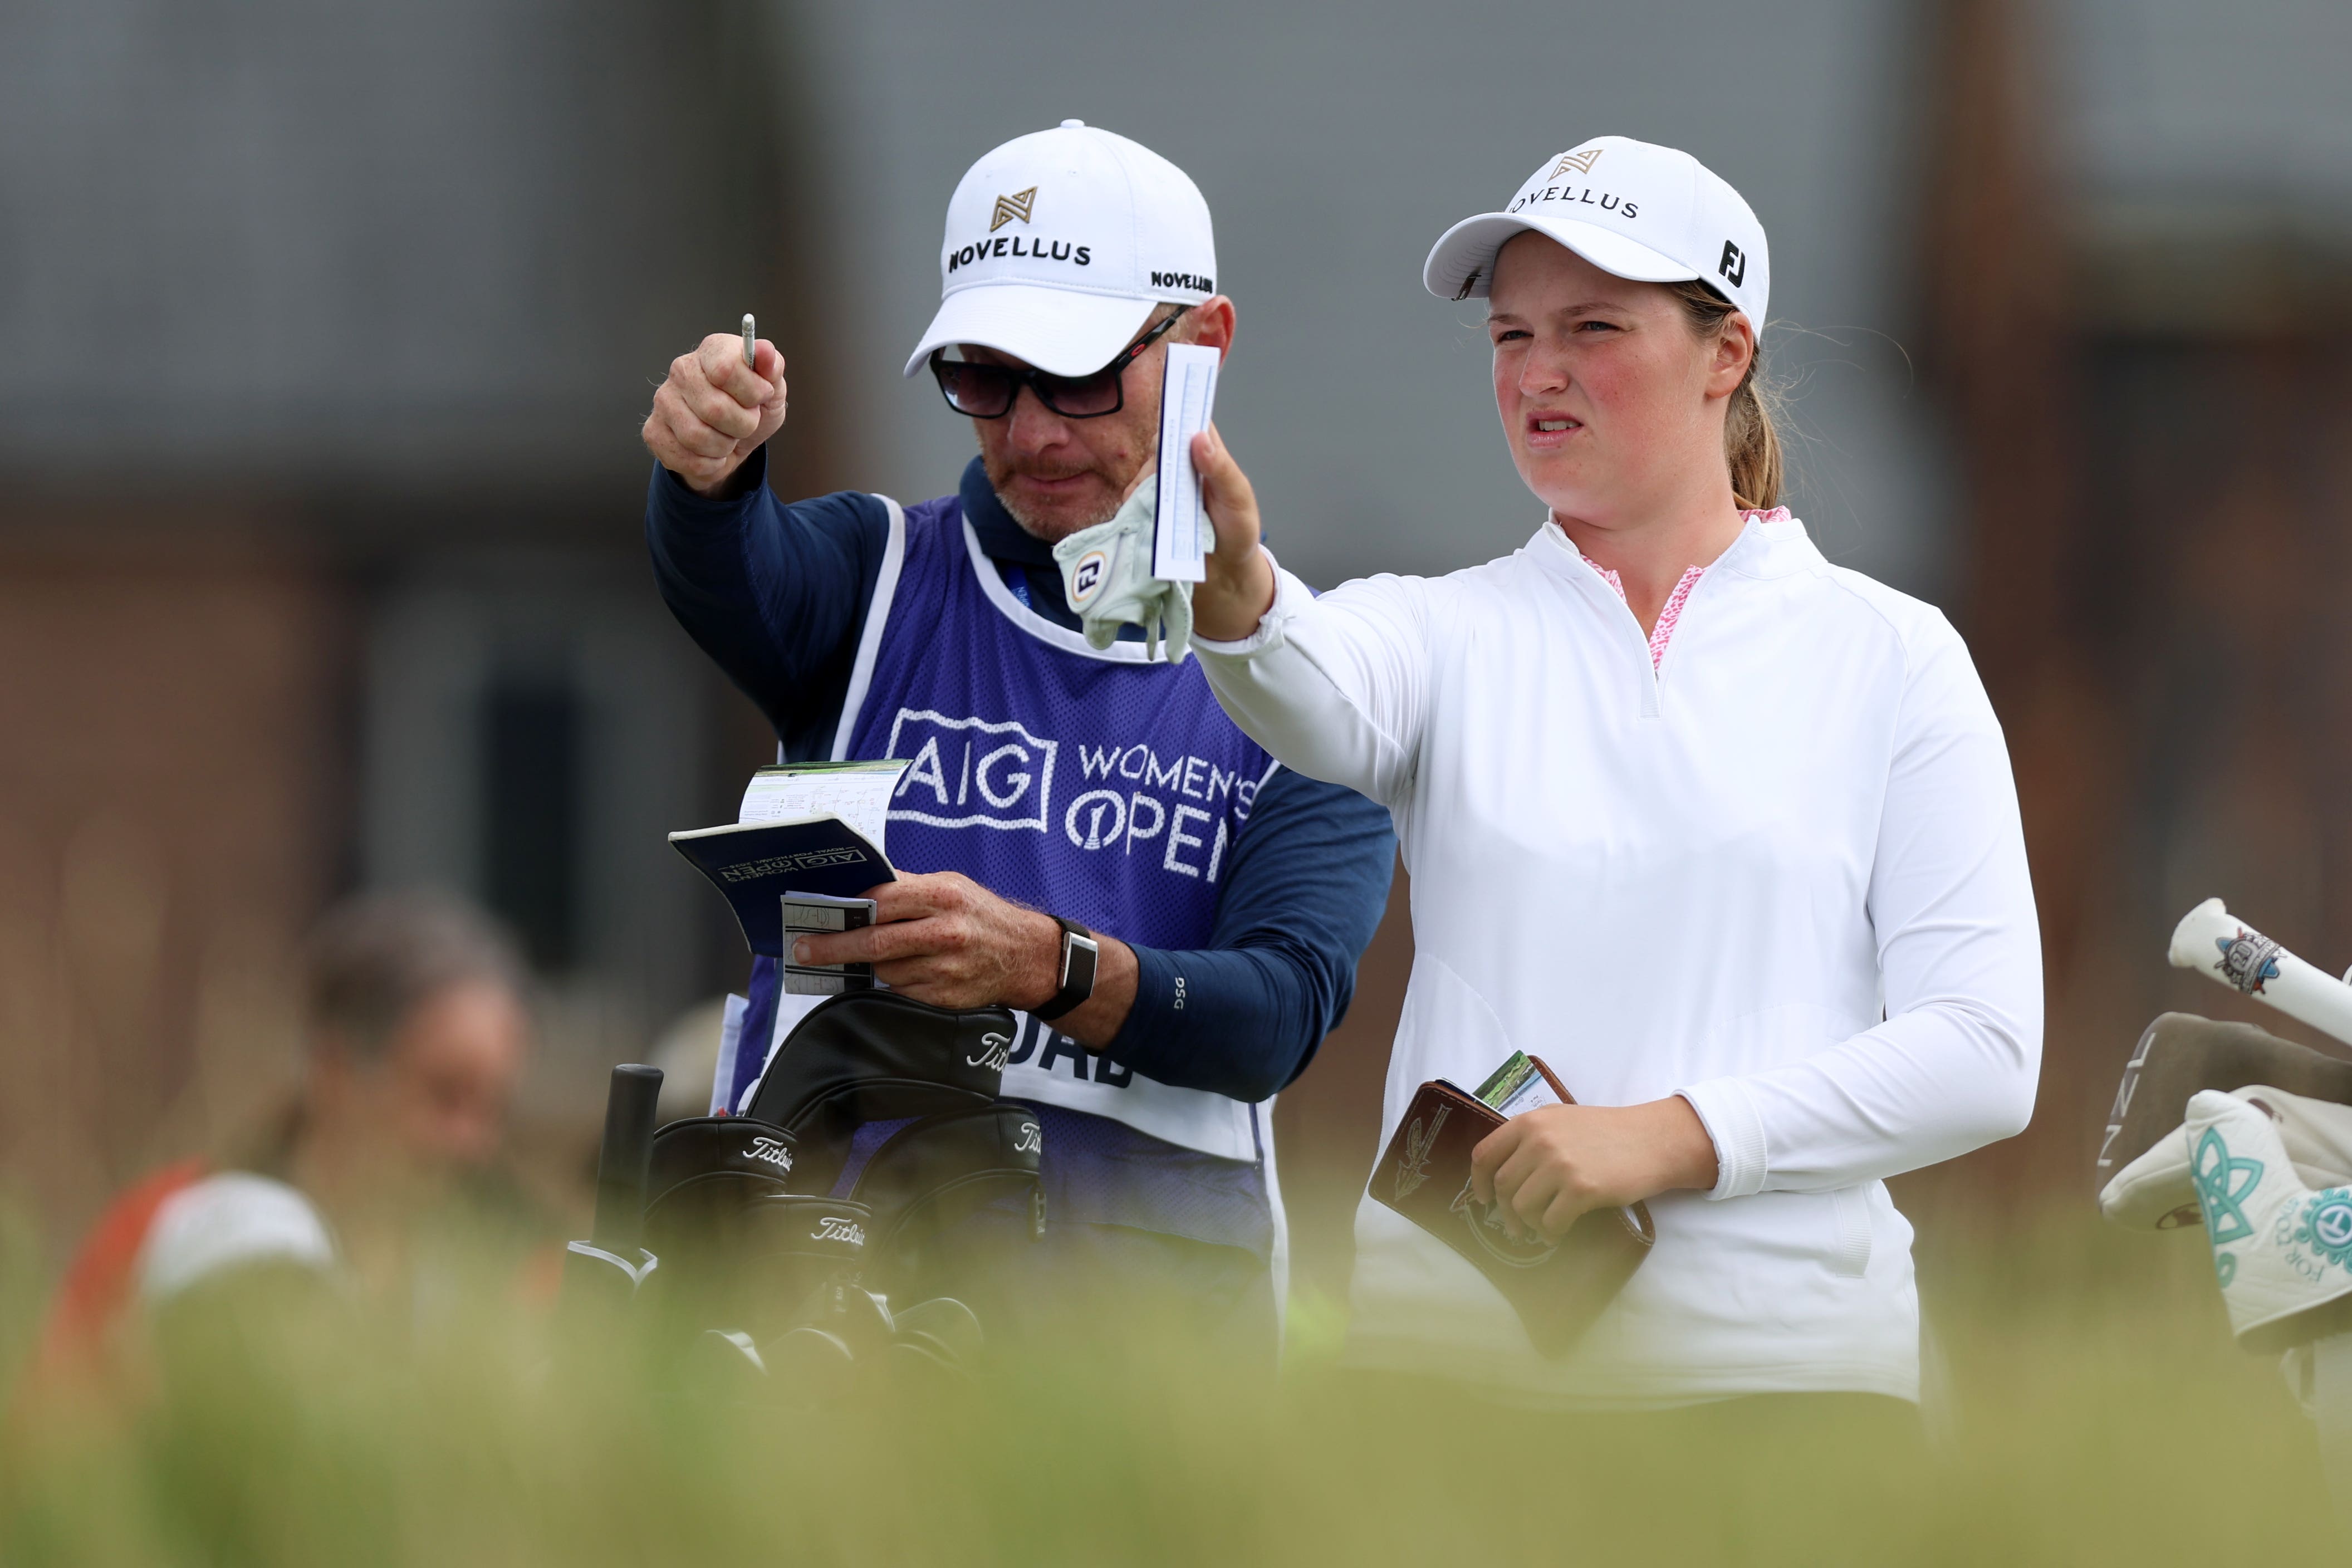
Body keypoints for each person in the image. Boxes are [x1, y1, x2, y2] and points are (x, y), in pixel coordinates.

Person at [1183, 135, 2042, 1410]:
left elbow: (1983, 1051)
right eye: (1509, 336)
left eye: (1592, 328)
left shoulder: (1893, 657)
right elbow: (1302, 680)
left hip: (1789, 1379)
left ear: (1726, 351)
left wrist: (1669, 1136)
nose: (1537, 374)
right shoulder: (1438, 630)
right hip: (1448, 1380)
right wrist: (1236, 594)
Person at [640, 120, 1395, 1363]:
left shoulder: (1319, 679)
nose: (1034, 430)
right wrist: (708, 465)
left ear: (1202, 342)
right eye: (985, 373)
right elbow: (724, 567)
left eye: (1083, 373)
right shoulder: (869, 578)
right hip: (825, 1328)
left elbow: (1280, 1012)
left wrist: (1048, 963)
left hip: (1151, 1357)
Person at [32, 889, 541, 1398]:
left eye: (493, 1107)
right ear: (336, 1071)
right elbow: (51, 1449)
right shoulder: (165, 1228)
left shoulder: (520, 1267)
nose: (474, 1142)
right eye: (443, 1096)